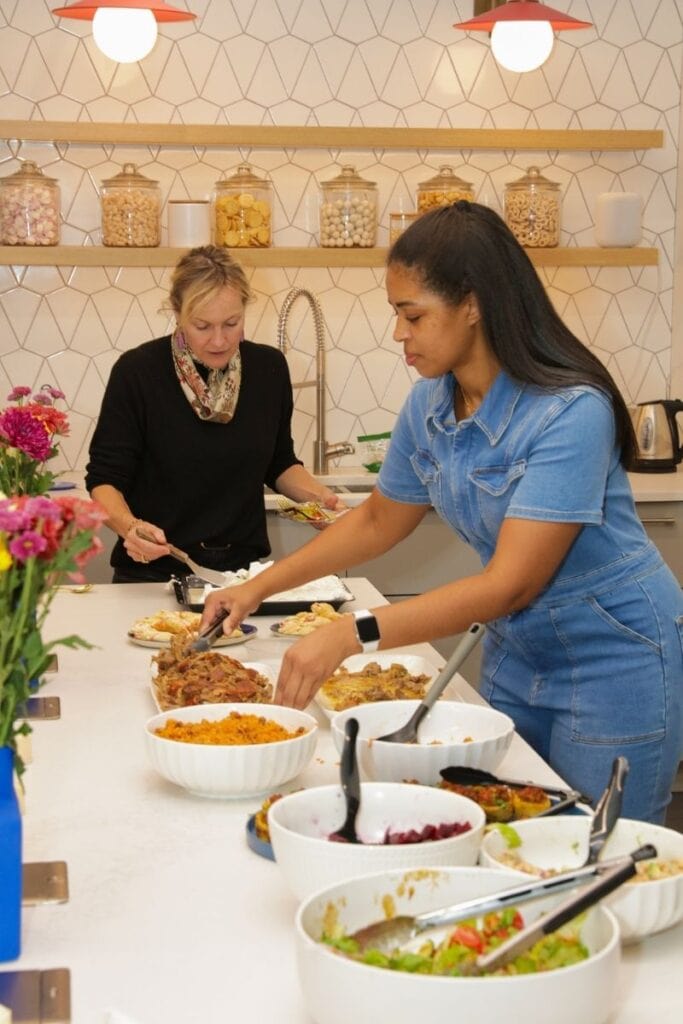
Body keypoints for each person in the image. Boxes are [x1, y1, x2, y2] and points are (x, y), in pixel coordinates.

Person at [203, 201, 683, 825]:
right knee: (513, 838)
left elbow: (512, 582)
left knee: (597, 855)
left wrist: (353, 633)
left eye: (413, 315)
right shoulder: (431, 403)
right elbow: (379, 520)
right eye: (396, 315)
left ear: (474, 304)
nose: (399, 333)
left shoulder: (571, 411)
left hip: (616, 660)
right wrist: (255, 589)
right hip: (519, 653)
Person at [85, 245, 345, 582]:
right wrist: (130, 527)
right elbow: (104, 479)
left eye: (232, 323)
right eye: (202, 326)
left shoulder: (268, 369)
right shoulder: (138, 372)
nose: (219, 340)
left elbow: (279, 463)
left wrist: (321, 501)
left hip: (243, 577)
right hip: (154, 575)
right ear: (177, 313)